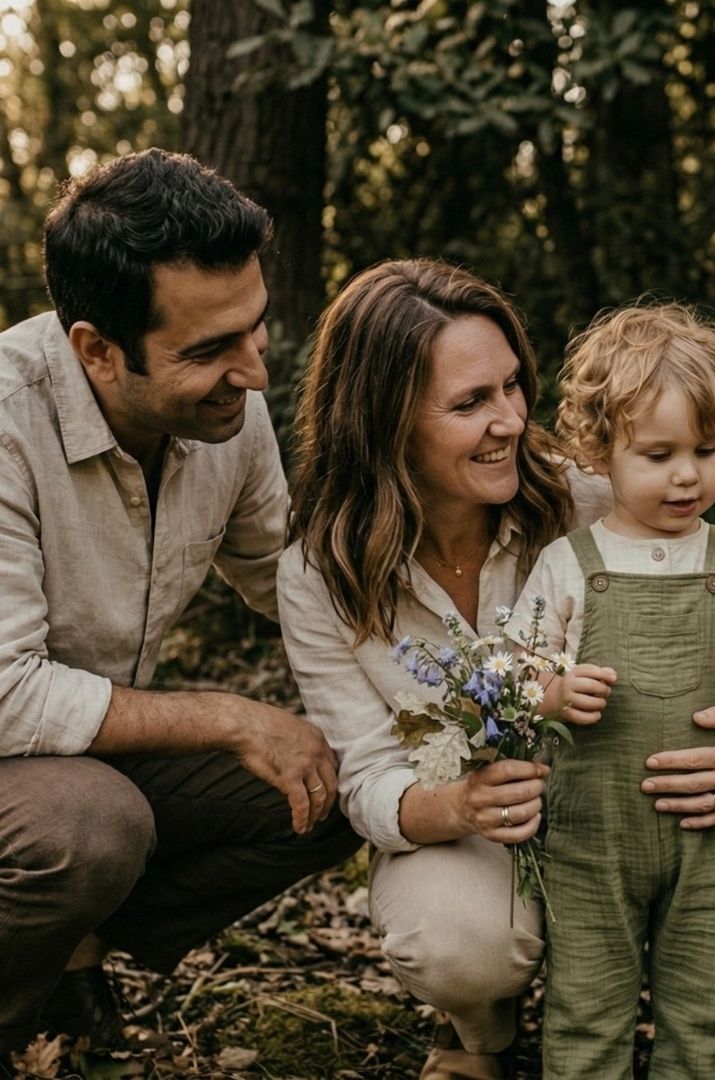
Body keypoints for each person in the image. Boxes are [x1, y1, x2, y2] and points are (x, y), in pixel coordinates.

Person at [277, 257, 715, 1080]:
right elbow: (368, 775)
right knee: (459, 942)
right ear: (387, 419)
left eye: (513, 385)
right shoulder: (321, 572)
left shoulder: (597, 496)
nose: (513, 421)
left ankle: (699, 1004)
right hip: (486, 833)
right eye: (470, 403)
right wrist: (459, 804)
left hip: (648, 798)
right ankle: (479, 1031)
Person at [0, 149, 360, 1060]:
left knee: (346, 781)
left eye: (256, 330)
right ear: (96, 349)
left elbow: (293, 580)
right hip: (28, 770)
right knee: (88, 829)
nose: (256, 373)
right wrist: (228, 717)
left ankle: (63, 953)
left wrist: (475, 661)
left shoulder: (221, 414)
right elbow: (7, 697)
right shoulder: (7, 420)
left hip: (87, 761)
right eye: (209, 351)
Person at [505, 301, 715, 1078]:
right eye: (657, 454)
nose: (687, 474)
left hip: (710, 836)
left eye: (705, 450)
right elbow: (517, 665)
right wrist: (552, 694)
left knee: (705, 1012)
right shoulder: (570, 562)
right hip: (589, 838)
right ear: (599, 450)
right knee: (586, 1008)